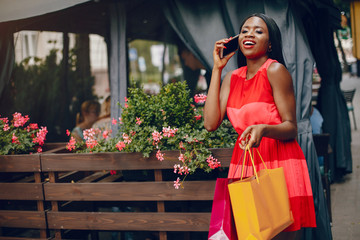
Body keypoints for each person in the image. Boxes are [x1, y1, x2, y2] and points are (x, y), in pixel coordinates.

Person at [204, 13, 316, 239]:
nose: (249, 34)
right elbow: (210, 123)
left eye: (258, 31)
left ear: (270, 42)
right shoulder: (231, 78)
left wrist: (263, 129)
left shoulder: (275, 71)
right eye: (245, 30)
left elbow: (291, 127)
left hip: (278, 161)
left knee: (279, 231)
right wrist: (217, 69)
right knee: (250, 232)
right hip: (245, 162)